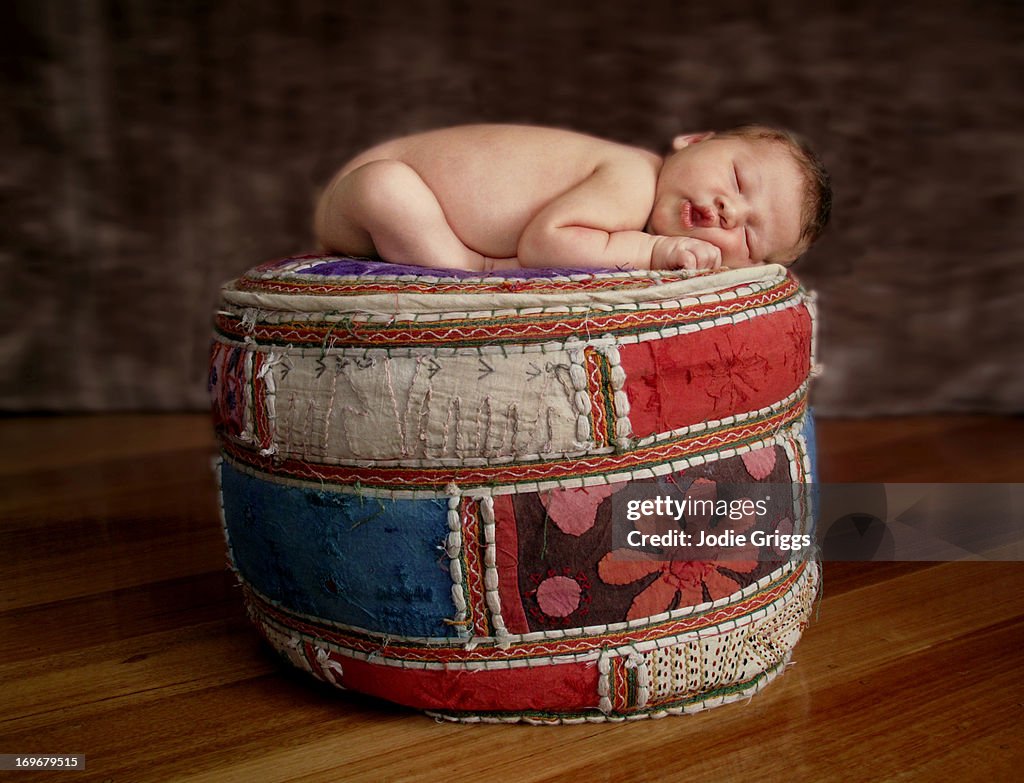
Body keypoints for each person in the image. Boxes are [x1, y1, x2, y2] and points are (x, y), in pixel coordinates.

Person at [314, 123, 831, 273]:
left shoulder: (641, 205)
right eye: (738, 180)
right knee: (386, 189)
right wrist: (651, 252)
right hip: (372, 189)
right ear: (694, 141)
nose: (729, 210)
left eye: (748, 232)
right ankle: (469, 264)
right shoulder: (633, 178)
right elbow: (546, 243)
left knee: (389, 190)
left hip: (385, 196)